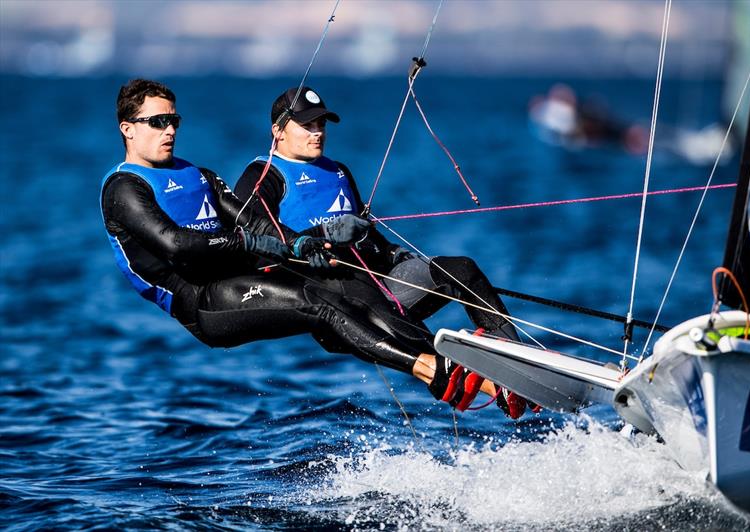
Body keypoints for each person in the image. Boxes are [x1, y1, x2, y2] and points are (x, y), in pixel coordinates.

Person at [100, 79, 510, 416]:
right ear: (128, 128)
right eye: (157, 121)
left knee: (441, 273)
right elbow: (177, 246)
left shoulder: (200, 174)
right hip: (202, 300)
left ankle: (507, 363)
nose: (169, 129)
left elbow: (253, 221)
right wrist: (252, 241)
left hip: (242, 278)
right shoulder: (124, 187)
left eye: (174, 120)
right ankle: (437, 372)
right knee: (323, 301)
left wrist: (301, 243)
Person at [234, 86, 529, 418]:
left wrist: (392, 254)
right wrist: (311, 242)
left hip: (378, 281)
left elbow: (366, 230)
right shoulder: (262, 176)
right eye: (307, 125)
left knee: (461, 269)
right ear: (278, 130)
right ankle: (491, 386)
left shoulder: (338, 171)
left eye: (321, 124)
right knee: (400, 324)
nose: (317, 133)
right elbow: (252, 241)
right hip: (337, 299)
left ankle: (516, 362)